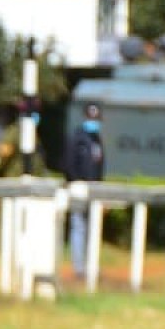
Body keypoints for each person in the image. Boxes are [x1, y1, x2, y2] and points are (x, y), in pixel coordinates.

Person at [62, 102, 105, 280]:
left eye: (96, 118)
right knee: (79, 226)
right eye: (91, 117)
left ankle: (90, 264)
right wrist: (75, 182)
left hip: (94, 189)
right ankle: (79, 267)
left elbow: (100, 166)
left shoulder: (97, 140)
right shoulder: (76, 138)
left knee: (92, 227)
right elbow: (68, 163)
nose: (94, 121)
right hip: (79, 188)